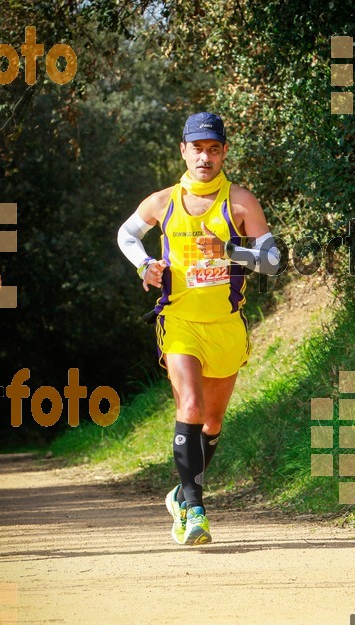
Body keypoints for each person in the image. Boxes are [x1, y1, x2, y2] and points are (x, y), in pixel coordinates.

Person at [117, 112, 280, 545]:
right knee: (188, 408)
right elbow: (126, 235)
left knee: (211, 423)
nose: (204, 157)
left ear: (224, 151)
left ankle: (181, 493)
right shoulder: (163, 201)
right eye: (197, 148)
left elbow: (273, 261)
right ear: (183, 150)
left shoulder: (240, 202)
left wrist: (229, 249)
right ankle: (194, 509)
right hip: (180, 321)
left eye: (213, 148)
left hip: (226, 327)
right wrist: (145, 265)